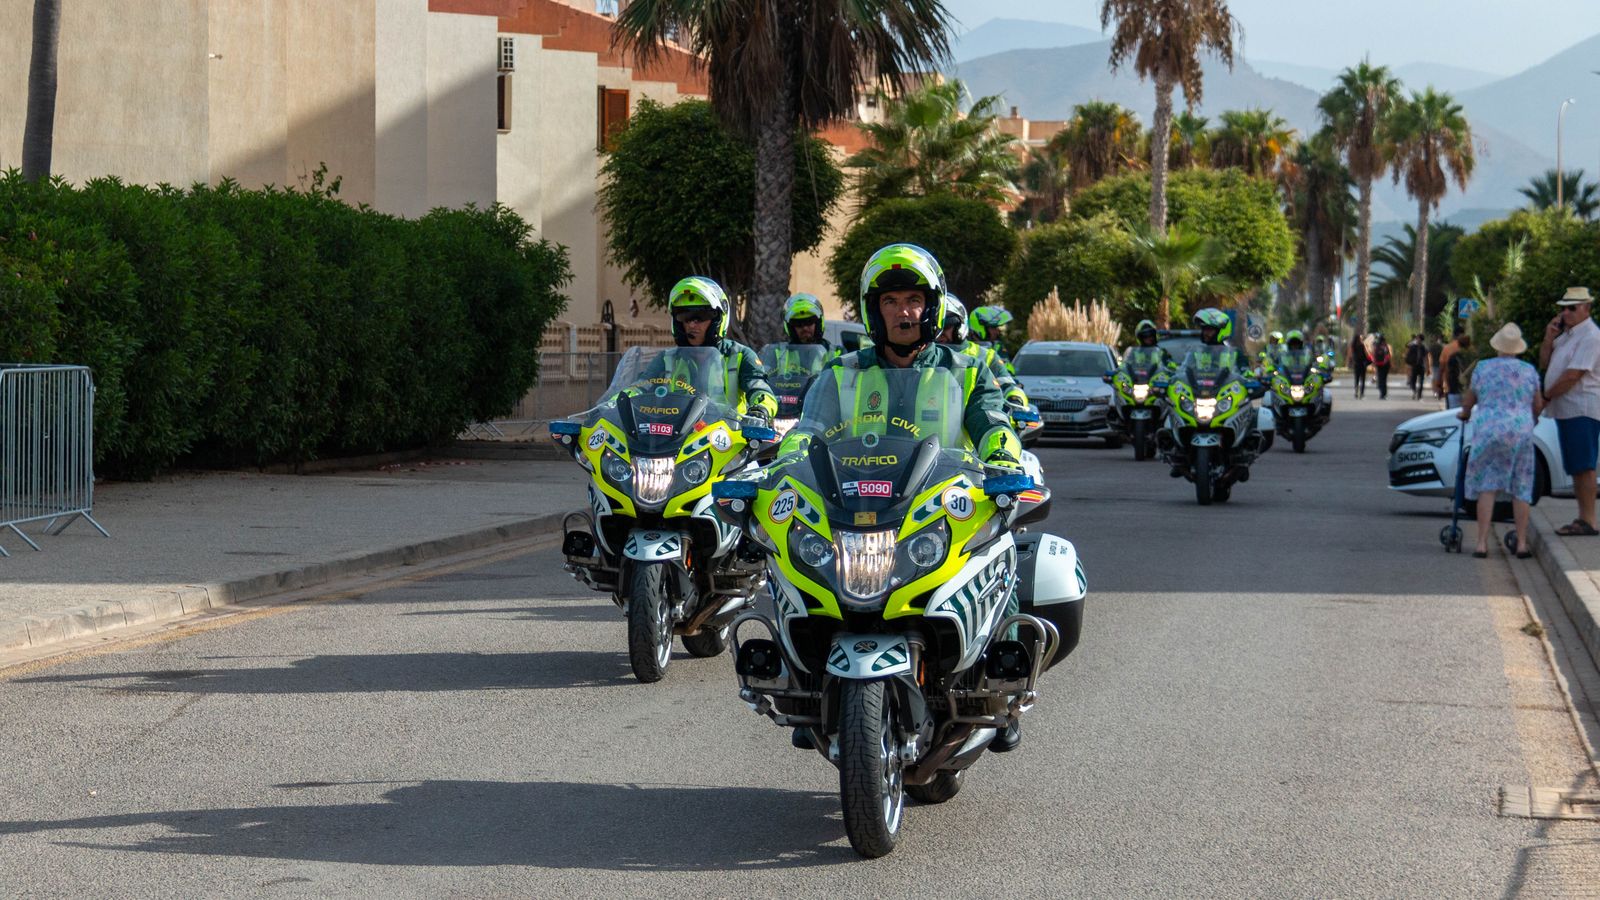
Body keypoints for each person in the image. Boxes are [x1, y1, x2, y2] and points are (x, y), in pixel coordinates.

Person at [779, 243, 1024, 751]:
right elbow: (810, 429)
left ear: (930, 306)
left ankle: (1005, 687)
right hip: (857, 506)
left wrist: (1004, 463)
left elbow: (993, 423)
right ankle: (803, 684)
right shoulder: (841, 372)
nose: (903, 311)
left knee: (1002, 555)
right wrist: (784, 466)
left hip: (940, 508)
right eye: (891, 302)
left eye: (913, 299)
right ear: (874, 310)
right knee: (792, 563)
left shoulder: (967, 370)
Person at [637, 276, 777, 420]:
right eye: (685, 316)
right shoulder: (666, 359)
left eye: (700, 316)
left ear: (718, 319)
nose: (692, 324)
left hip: (727, 437)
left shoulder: (740, 355)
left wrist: (761, 409)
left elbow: (760, 389)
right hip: (676, 437)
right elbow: (640, 387)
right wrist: (617, 401)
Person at [1458, 323, 1541, 557]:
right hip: (1520, 432)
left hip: (1489, 431)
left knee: (1487, 486)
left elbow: (1469, 399)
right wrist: (1531, 419)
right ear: (1518, 348)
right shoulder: (1529, 371)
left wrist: (1464, 413)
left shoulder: (1483, 368)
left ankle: (1482, 543)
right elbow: (1537, 404)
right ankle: (1522, 543)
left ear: (1497, 346)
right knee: (1521, 486)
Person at [1540, 286, 1600, 536]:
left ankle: (1588, 520)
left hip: (1581, 408)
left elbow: (1573, 375)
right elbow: (1545, 363)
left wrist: (1546, 396)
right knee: (1576, 465)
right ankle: (1583, 518)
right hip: (1567, 409)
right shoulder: (1568, 335)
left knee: (1584, 466)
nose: (1566, 312)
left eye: (1572, 308)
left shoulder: (1591, 336)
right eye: (1563, 308)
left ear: (1586, 308)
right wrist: (1548, 338)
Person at [943, 295, 1030, 410]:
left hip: (980, 420)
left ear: (960, 325)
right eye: (934, 325)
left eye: (946, 326)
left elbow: (1007, 383)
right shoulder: (919, 353)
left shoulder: (986, 354)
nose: (938, 331)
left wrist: (1015, 398)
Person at [1443, 334, 1472, 409]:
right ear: (1469, 344)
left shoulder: (1453, 356)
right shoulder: (1473, 357)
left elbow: (1448, 372)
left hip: (1454, 388)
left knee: (1454, 414)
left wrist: (1446, 385)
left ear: (1458, 344)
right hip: (1470, 391)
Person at [1405, 333, 1431, 400]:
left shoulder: (1424, 347)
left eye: (1418, 338)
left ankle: (1419, 394)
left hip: (1421, 366)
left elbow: (1427, 358)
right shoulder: (1413, 347)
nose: (1417, 339)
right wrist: (1409, 365)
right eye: (1417, 338)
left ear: (1421, 339)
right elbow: (1408, 356)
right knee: (1413, 380)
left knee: (1421, 382)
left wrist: (1428, 368)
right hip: (1414, 365)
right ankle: (1414, 391)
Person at [1371, 332, 1393, 399]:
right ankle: (1384, 394)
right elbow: (1390, 355)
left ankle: (1381, 393)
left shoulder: (1376, 346)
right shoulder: (1387, 346)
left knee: (1380, 379)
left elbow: (1374, 355)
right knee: (1384, 379)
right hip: (1386, 365)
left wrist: (1374, 363)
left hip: (1379, 364)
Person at [1349, 332, 1370, 398]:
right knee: (1363, 379)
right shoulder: (1363, 345)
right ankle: (1362, 394)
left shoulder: (1353, 345)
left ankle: (1356, 392)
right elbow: (1367, 354)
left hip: (1356, 363)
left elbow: (1350, 354)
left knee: (1357, 379)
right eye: (1361, 338)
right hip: (1363, 363)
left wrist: (1351, 361)